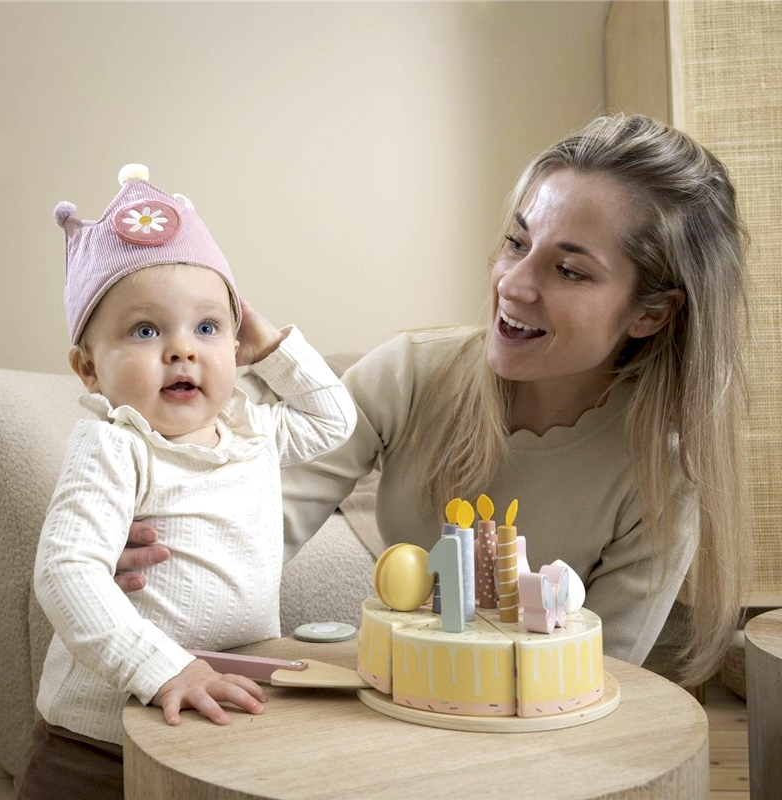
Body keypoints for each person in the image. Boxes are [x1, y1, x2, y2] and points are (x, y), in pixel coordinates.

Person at [118, 113, 750, 688]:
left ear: (652, 312)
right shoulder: (411, 374)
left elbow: (595, 677)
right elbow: (256, 523)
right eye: (516, 242)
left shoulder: (662, 479)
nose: (515, 284)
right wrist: (170, 560)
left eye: (570, 270)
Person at [16, 165, 356, 800]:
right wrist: (162, 666)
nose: (183, 350)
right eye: (147, 331)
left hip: (215, 718)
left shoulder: (252, 433)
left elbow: (333, 418)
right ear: (88, 370)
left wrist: (271, 344)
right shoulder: (115, 444)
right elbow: (66, 571)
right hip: (97, 743)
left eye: (207, 328)